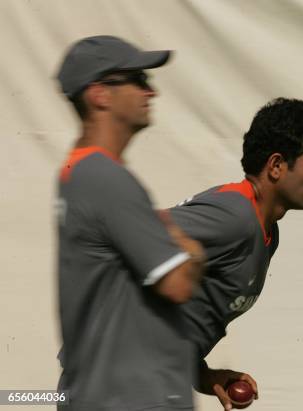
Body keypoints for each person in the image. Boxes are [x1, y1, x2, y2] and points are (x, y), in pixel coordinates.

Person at [55, 35, 204, 410]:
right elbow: (178, 284)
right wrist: (191, 250)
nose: (150, 91)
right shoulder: (106, 177)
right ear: (100, 95)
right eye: (138, 79)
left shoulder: (77, 170)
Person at [168, 97, 303, 411]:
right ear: (276, 166)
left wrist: (205, 374)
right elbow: (127, 231)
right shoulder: (234, 217)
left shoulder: (267, 232)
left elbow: (169, 326)